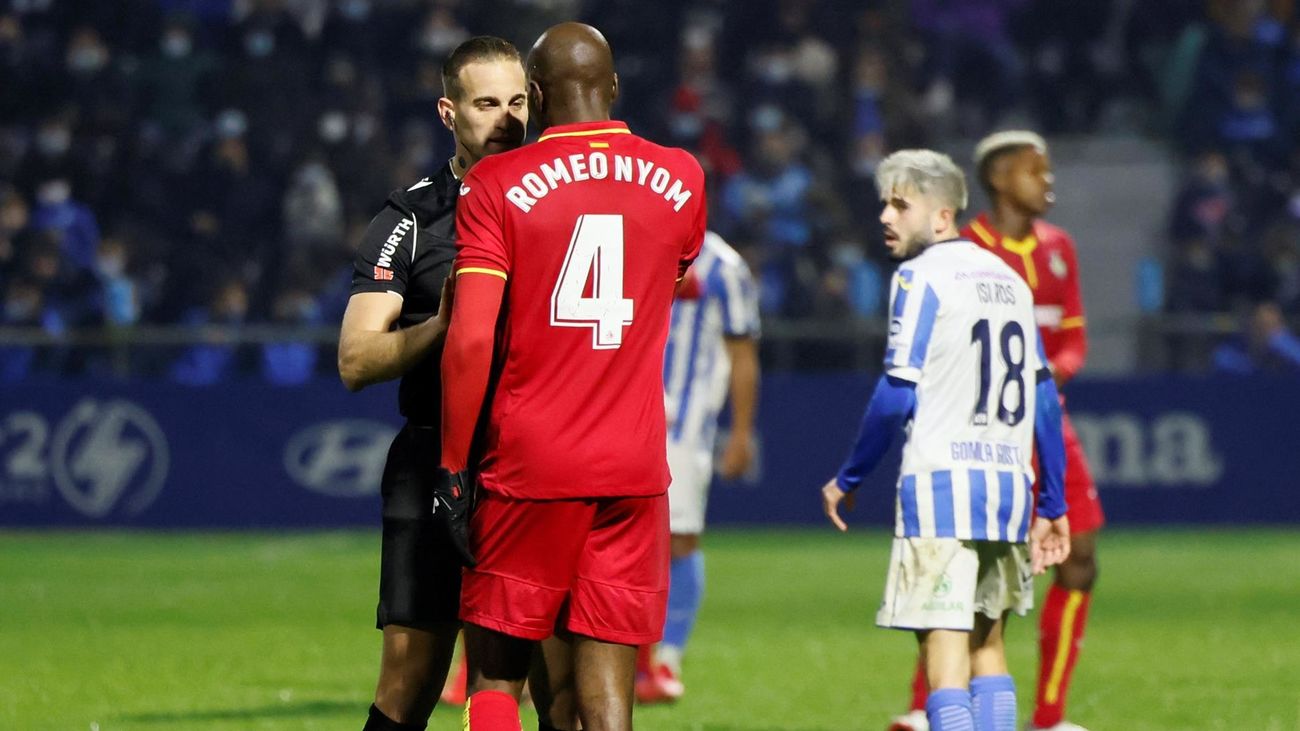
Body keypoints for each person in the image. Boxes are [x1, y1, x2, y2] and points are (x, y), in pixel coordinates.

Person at [438, 22, 707, 731]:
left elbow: (469, 340)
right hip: (633, 466)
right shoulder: (682, 178)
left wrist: (453, 466)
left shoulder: (495, 183)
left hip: (530, 462)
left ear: (533, 94)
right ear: (614, 88)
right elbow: (662, 284)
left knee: (496, 675)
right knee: (608, 696)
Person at [821, 149, 1071, 731]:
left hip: (941, 491)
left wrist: (851, 475)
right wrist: (1053, 503)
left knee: (945, 653)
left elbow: (896, 391)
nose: (885, 216)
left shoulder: (919, 276)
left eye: (900, 205)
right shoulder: (1009, 280)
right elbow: (1044, 400)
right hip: (1009, 490)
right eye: (884, 203)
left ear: (941, 218)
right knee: (989, 646)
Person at [336, 36, 527, 731]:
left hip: (532, 463)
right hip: (433, 459)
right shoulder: (410, 219)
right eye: (486, 103)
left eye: (518, 100)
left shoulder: (561, 206)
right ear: (449, 111)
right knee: (412, 678)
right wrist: (445, 325)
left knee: (535, 678)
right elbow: (356, 359)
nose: (506, 118)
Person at [890, 130, 1105, 731]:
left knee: (1081, 559)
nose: (1049, 180)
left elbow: (1074, 339)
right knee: (959, 569)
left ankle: (1050, 716)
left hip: (1046, 419)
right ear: (1000, 177)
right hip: (980, 432)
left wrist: (1049, 372)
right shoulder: (963, 250)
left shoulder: (1060, 248)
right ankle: (923, 703)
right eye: (1037, 170)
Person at [636, 231, 762, 703]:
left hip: (683, 426)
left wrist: (741, 432)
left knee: (679, 537)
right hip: (621, 412)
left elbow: (742, 354)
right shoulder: (633, 235)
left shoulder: (724, 266)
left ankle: (665, 658)